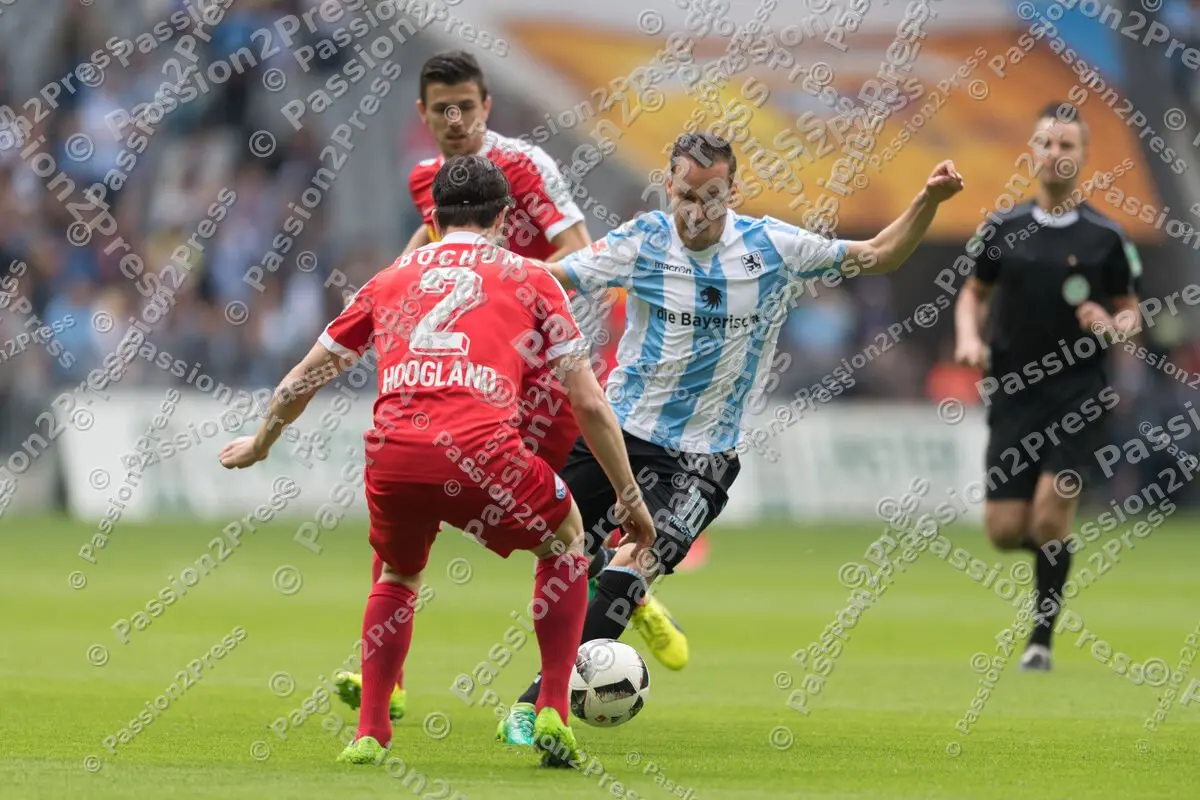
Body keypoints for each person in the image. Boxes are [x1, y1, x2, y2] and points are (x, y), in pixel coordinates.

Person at [496, 131, 966, 745]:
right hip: (619, 435)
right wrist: (482, 265)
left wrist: (928, 201)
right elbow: (556, 276)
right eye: (686, 195)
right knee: (561, 563)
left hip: (701, 457)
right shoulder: (642, 242)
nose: (696, 211)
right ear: (669, 185)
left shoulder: (772, 247)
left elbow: (880, 253)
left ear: (732, 191)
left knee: (635, 564)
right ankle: (620, 604)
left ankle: (538, 703)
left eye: (711, 197)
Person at [218, 155, 655, 767]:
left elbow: (303, 377)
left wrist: (261, 442)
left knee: (397, 576)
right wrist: (630, 498)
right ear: (505, 217)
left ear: (432, 216)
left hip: (395, 457)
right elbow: (587, 398)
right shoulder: (532, 277)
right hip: (485, 452)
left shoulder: (389, 279)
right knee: (566, 542)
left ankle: (371, 732)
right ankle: (554, 705)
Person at [334, 51, 687, 728]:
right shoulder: (424, 179)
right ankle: (392, 684)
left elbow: (582, 253)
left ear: (487, 106)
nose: (457, 119)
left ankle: (632, 600)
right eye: (444, 108)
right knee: (410, 523)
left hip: (540, 367)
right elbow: (433, 242)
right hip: (477, 372)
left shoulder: (523, 167)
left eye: (467, 105)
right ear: (424, 113)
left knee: (571, 517)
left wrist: (501, 293)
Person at [953, 102, 1141, 671]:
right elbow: (973, 294)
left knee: (1051, 513)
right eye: (1046, 144)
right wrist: (967, 338)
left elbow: (1132, 311)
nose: (1055, 154)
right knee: (1007, 531)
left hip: (1077, 394)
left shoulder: (1107, 237)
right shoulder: (1003, 228)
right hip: (1012, 391)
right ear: (1031, 152)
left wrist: (1111, 326)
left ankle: (1041, 639)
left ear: (1084, 157)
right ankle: (1057, 556)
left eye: (1067, 146)